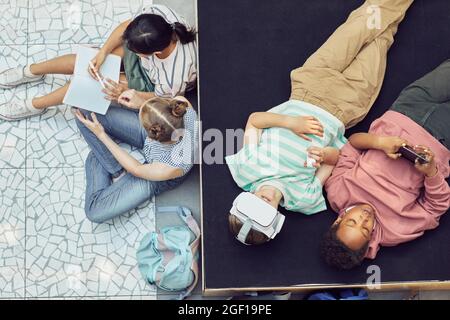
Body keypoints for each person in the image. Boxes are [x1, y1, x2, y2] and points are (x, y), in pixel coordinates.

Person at [226, 0, 414, 245]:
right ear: (275, 217)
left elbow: (255, 121)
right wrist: (326, 155)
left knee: (362, 23)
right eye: (265, 208)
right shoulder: (303, 198)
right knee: (382, 37)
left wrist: (291, 123)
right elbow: (340, 158)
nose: (264, 199)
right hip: (346, 106)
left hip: (309, 87)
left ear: (245, 197)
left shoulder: (246, 171)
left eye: (255, 201)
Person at [320, 60, 450, 270]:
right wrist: (431, 172)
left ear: (338, 221)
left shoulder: (336, 192)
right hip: (441, 137)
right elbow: (436, 207)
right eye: (365, 229)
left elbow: (353, 143)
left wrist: (380, 143)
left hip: (404, 112)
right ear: (370, 239)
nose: (364, 218)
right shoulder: (396, 231)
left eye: (352, 221)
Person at [0, 4, 197, 121]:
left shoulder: (173, 78)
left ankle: (36, 104)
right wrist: (102, 53)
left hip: (152, 84)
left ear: (154, 53)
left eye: (134, 50)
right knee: (92, 61)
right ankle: (32, 71)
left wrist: (129, 94)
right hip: (149, 63)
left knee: (94, 83)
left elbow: (160, 98)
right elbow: (126, 28)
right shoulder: (157, 14)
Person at [74, 94, 199, 223]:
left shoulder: (170, 166)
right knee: (84, 113)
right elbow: (161, 107)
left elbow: (136, 169)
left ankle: (105, 158)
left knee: (94, 211)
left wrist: (101, 134)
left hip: (156, 177)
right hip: (162, 135)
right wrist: (141, 103)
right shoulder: (182, 107)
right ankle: (113, 166)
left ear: (152, 134)